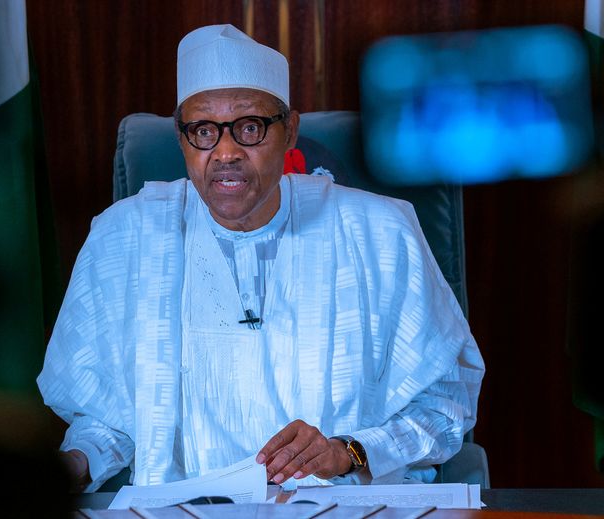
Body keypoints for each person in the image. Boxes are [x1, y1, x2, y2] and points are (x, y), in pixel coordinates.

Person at [38, 23, 485, 492]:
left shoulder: (379, 232)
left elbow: (443, 404)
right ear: (181, 138)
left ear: (290, 129)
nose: (225, 152)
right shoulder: (125, 238)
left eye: (249, 128)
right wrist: (77, 461)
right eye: (204, 130)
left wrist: (347, 451)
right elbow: (112, 420)